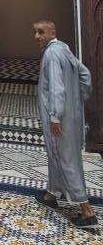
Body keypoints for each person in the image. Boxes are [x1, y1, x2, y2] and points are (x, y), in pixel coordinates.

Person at [33, 19, 98, 229]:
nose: (37, 37)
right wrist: (77, 101)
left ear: (53, 33)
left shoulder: (52, 54)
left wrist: (55, 115)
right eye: (35, 32)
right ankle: (52, 194)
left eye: (41, 32)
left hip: (58, 118)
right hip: (70, 115)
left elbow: (57, 88)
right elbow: (85, 75)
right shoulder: (63, 49)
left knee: (66, 159)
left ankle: (87, 213)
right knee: (57, 154)